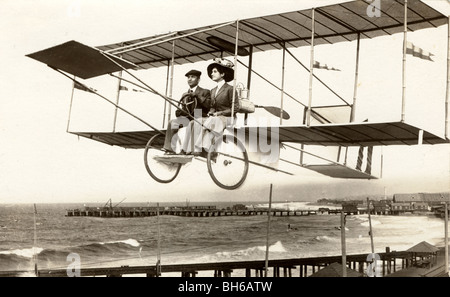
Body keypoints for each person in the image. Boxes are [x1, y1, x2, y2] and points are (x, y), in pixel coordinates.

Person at [182, 58, 239, 156]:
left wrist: (219, 113)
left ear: (222, 74)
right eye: (212, 72)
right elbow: (212, 106)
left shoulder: (230, 89)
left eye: (215, 71)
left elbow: (236, 108)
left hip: (228, 118)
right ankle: (187, 149)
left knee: (213, 120)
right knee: (195, 121)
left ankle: (201, 148)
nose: (212, 74)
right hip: (215, 117)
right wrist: (211, 112)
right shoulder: (213, 90)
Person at [163, 69, 211, 154]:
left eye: (193, 77)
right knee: (172, 122)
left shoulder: (205, 92)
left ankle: (185, 150)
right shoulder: (185, 95)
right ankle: (169, 149)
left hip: (200, 117)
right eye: (188, 77)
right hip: (188, 119)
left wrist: (197, 96)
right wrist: (179, 112)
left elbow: (208, 106)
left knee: (192, 123)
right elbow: (185, 110)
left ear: (198, 79)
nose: (190, 79)